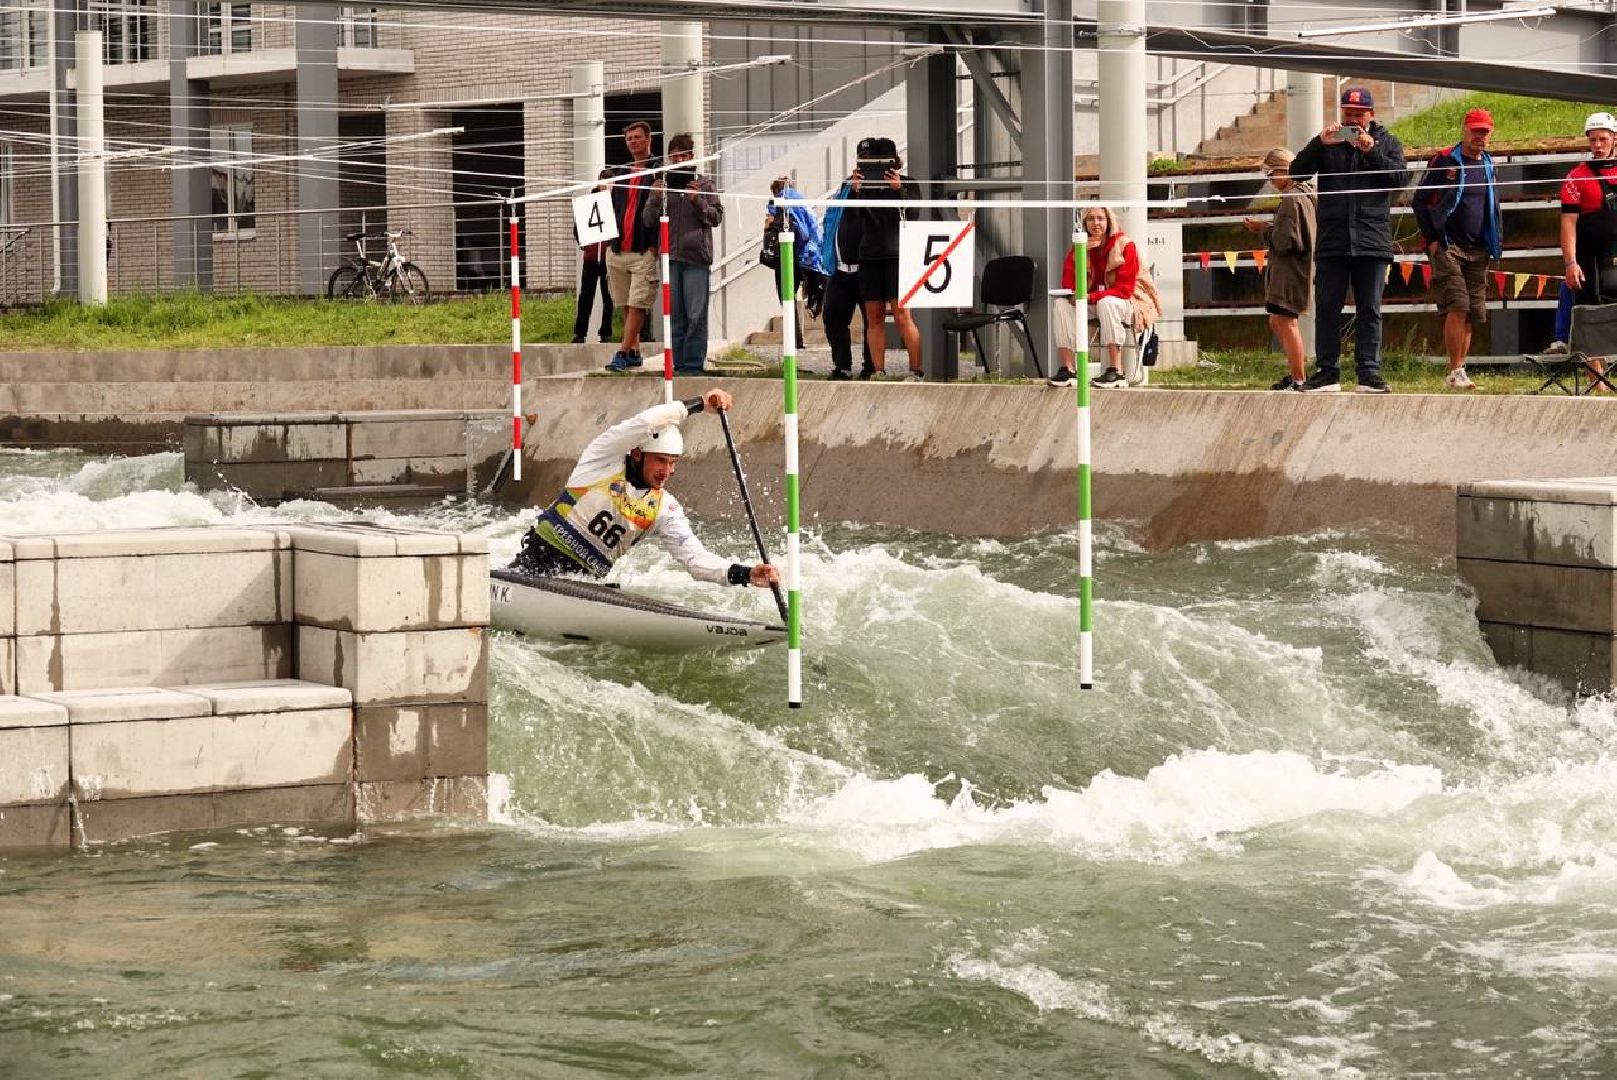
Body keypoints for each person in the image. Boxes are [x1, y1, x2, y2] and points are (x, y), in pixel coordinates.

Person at [510, 388, 782, 590]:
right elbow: (643, 423)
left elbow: (695, 560)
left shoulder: (664, 507)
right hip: (536, 562)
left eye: (673, 463)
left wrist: (745, 574)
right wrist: (699, 404)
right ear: (638, 454)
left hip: (584, 584)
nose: (667, 471)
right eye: (661, 461)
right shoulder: (601, 460)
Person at [1288, 86, 1409, 394]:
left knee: (1369, 309)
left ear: (1371, 115)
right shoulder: (1329, 143)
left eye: (1358, 114)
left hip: (1372, 238)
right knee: (1327, 308)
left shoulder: (1388, 142)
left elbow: (1399, 179)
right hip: (1333, 239)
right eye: (1348, 114)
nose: (1353, 120)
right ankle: (1327, 372)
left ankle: (1369, 372)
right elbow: (1296, 173)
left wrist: (1372, 152)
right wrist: (1318, 143)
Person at [1413, 108, 1502, 392]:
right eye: (1475, 130)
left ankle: (1460, 369)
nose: (1479, 136)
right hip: (1448, 245)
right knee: (1457, 304)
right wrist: (1433, 239)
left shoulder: (1488, 163)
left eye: (1484, 132)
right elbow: (1419, 200)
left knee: (1473, 310)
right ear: (1464, 130)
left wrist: (1494, 240)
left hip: (1478, 247)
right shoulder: (1445, 160)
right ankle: (1454, 368)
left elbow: (1492, 204)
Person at [1049, 205, 1159, 389]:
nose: (1095, 223)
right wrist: (1081, 254)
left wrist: (1091, 297)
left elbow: (1124, 290)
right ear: (1085, 224)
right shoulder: (1080, 246)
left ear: (1109, 221)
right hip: (1093, 301)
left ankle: (1116, 371)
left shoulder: (1125, 245)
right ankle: (1068, 369)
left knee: (1107, 302)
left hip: (1126, 303)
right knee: (1061, 304)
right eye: (1090, 219)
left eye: (1100, 218)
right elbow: (1068, 283)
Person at [643, 133, 722, 374]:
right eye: (674, 156)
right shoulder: (662, 185)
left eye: (682, 155)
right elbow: (647, 220)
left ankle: (694, 363)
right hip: (670, 257)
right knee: (675, 314)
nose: (678, 160)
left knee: (696, 313)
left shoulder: (705, 184)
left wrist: (697, 201)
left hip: (696, 257)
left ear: (691, 156)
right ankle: (677, 364)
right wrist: (655, 198)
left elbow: (716, 217)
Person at [847, 137, 923, 380]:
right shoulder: (860, 185)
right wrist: (855, 191)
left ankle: (916, 370)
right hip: (869, 254)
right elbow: (851, 218)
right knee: (873, 315)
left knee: (902, 314)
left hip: (897, 253)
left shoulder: (908, 183)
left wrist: (898, 188)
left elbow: (913, 214)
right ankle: (878, 369)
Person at [1243, 147, 1317, 391]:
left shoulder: (1291, 199)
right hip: (1298, 267)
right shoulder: (1306, 194)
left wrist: (1262, 230)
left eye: (1272, 175)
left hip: (1290, 270)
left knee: (1286, 322)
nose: (1271, 182)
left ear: (1283, 170)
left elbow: (1286, 241)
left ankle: (1299, 378)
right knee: (1277, 321)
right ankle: (1297, 372)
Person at [1558, 110, 1617, 387]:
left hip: (1614, 254)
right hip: (1589, 256)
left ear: (1614, 139)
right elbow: (1568, 223)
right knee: (1590, 313)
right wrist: (1570, 262)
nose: (1597, 145)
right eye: (1592, 140)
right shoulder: (1575, 177)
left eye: (1602, 139)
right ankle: (1598, 381)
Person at [604, 120, 660, 373]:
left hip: (642, 249)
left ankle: (622, 351)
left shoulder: (658, 170)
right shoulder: (621, 172)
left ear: (649, 139)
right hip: (618, 248)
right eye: (629, 138)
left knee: (638, 302)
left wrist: (654, 245)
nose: (633, 142)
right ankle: (635, 351)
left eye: (637, 137)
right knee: (626, 302)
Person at [814, 175, 873, 380]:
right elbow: (830, 227)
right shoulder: (843, 195)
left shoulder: (875, 195)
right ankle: (842, 366)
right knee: (832, 318)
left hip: (866, 270)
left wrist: (859, 193)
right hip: (839, 270)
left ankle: (871, 367)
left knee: (872, 321)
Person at [762, 177, 824, 355]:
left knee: (787, 299)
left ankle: (794, 340)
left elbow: (770, 226)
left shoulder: (777, 203)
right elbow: (813, 230)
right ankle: (813, 308)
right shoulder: (803, 202)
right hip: (810, 256)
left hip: (788, 254)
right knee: (810, 292)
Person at [572, 168, 614, 344]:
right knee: (586, 297)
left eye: (609, 181)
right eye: (603, 180)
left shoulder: (617, 203)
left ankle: (605, 332)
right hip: (590, 259)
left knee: (608, 297)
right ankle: (580, 333)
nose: (606, 185)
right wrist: (584, 244)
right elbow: (577, 228)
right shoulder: (589, 202)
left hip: (608, 258)